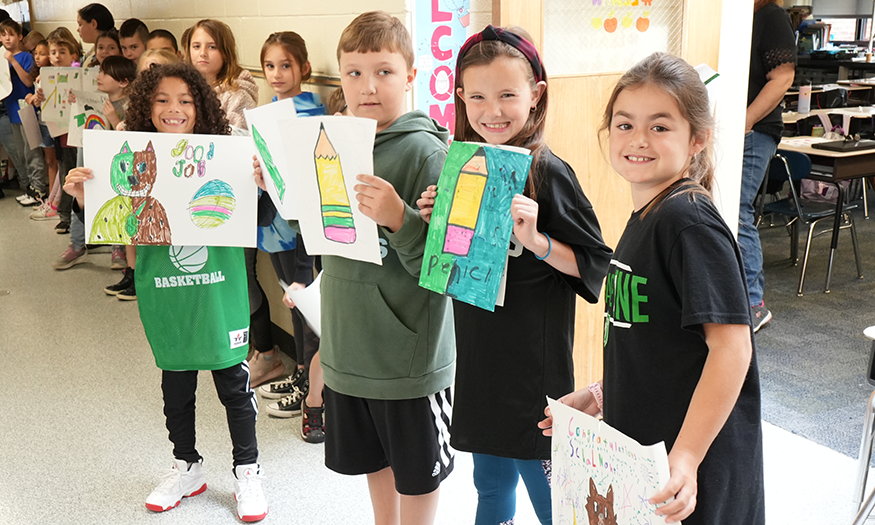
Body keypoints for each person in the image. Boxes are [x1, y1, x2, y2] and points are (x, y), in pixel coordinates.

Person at [539, 52, 765, 525]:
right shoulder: (649, 215)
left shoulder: (689, 223)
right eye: (624, 125)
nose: (638, 140)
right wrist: (601, 395)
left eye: (660, 127)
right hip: (649, 453)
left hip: (692, 465)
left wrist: (685, 456)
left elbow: (731, 349)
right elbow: (658, 340)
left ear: (697, 139)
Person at [253, 11, 455, 524]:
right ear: (339, 78)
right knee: (374, 460)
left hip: (407, 359)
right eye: (355, 72)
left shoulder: (428, 153)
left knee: (417, 471)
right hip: (348, 343)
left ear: (411, 76)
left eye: (384, 71)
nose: (369, 86)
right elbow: (327, 229)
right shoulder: (334, 139)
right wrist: (276, 185)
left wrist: (400, 219)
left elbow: (446, 268)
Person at [416, 25, 612, 525]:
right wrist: (435, 219)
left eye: (507, 95)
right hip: (480, 358)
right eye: (477, 97)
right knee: (489, 484)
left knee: (550, 490)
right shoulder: (463, 164)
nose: (492, 111)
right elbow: (457, 261)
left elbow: (595, 263)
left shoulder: (548, 172)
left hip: (533, 370)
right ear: (460, 98)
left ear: (535, 95)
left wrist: (539, 242)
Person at [63, 62, 268, 522]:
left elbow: (263, 219)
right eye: (161, 100)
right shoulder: (134, 160)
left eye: (185, 101)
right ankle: (187, 466)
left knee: (234, 385)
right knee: (175, 384)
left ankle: (248, 469)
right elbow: (120, 232)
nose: (174, 109)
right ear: (145, 107)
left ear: (202, 107)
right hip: (164, 288)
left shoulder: (227, 154)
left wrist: (260, 186)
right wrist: (84, 197)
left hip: (219, 289)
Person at [251, 31, 325, 444]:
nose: (277, 73)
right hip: (273, 224)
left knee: (304, 302)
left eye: (286, 65)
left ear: (303, 68)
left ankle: (312, 387)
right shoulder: (268, 113)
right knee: (292, 303)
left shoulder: (310, 111)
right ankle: (302, 374)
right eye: (270, 66)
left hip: (300, 228)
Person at [739, 0, 796, 332]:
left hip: (755, 131)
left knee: (737, 213)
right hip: (734, 130)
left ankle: (753, 303)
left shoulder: (771, 16)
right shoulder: (741, 20)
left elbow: (783, 77)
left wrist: (745, 121)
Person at [1, 19, 46, 207]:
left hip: (26, 109)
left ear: (19, 36)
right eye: (3, 35)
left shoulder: (26, 57)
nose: (7, 38)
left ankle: (39, 190)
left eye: (10, 34)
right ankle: (29, 187)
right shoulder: (1, 57)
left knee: (32, 151)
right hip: (11, 110)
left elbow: (28, 82)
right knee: (20, 152)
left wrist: (12, 60)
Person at [182, 19, 257, 130]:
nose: (203, 53)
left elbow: (238, 139)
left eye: (212, 47)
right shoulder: (183, 88)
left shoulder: (238, 96)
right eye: (196, 46)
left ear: (225, 53)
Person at [26, 39, 60, 221]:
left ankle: (55, 203)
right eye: (36, 54)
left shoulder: (58, 74)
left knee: (55, 161)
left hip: (56, 123)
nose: (38, 57)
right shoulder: (38, 75)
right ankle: (51, 199)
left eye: (43, 53)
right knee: (50, 160)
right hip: (43, 120)